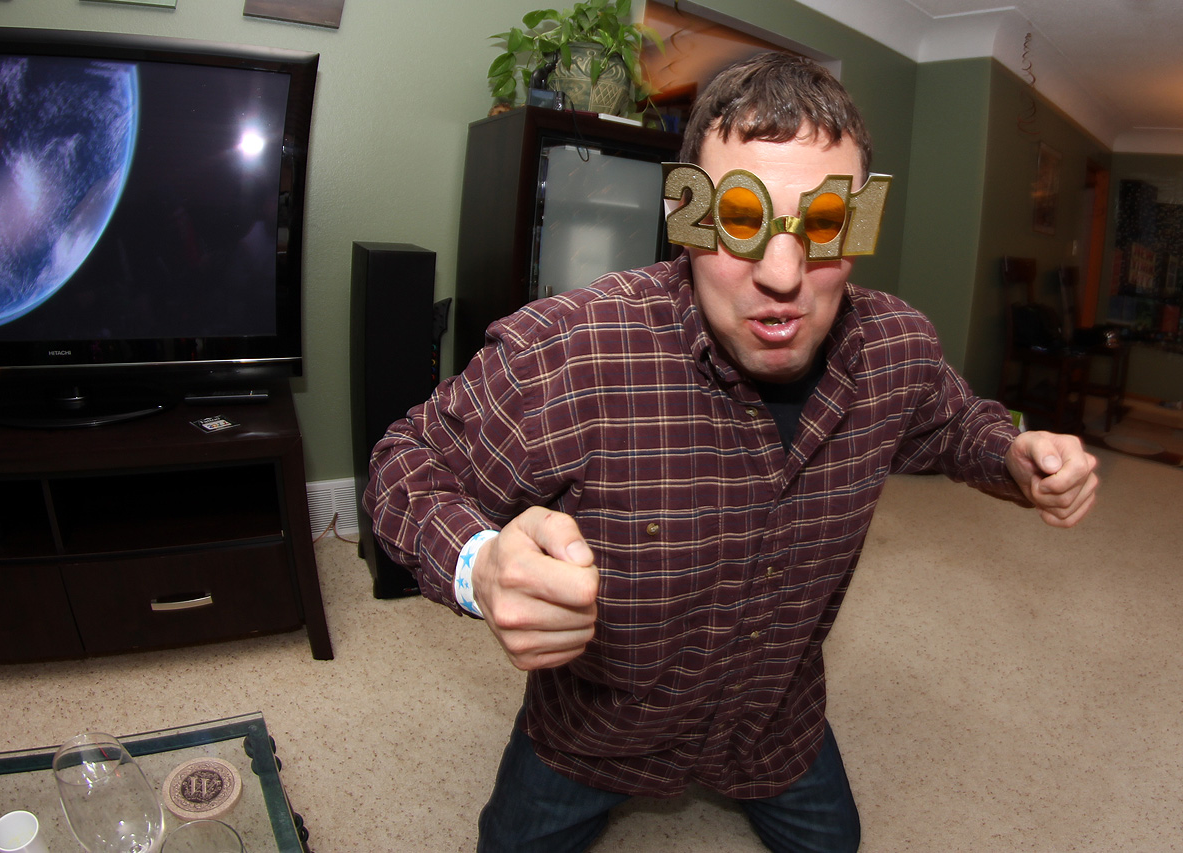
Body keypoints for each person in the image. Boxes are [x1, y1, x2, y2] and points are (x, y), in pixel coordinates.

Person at [365, 52, 1098, 853]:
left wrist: (1014, 453)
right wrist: (478, 565)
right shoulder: (575, 351)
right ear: (687, 214)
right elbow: (407, 463)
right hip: (595, 729)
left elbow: (952, 421)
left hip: (771, 721)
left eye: (823, 223)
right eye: (741, 219)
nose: (782, 274)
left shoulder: (897, 348)